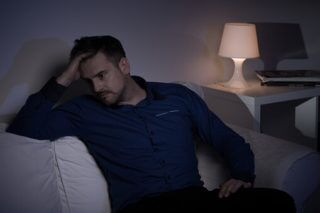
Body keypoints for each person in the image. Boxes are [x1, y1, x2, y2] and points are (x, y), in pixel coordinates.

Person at [7, 35, 296, 213]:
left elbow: (226, 138)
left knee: (278, 202)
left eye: (102, 75)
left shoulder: (176, 97)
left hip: (196, 200)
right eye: (87, 80)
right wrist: (65, 77)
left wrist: (242, 174)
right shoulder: (83, 112)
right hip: (143, 208)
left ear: (124, 65)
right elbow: (24, 129)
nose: (95, 87)